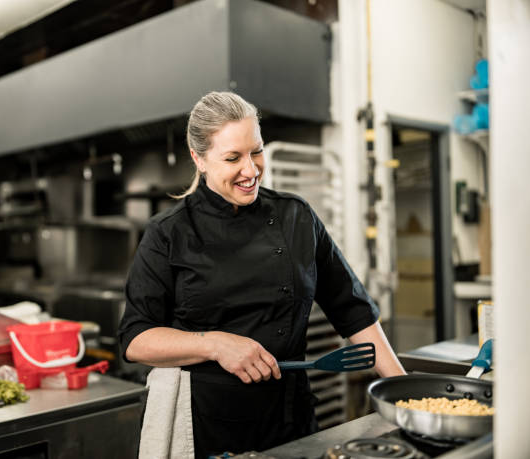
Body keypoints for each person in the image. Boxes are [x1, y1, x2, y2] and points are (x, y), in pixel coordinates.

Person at [118, 91, 406, 458]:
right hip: (211, 424)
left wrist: (403, 391)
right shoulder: (169, 233)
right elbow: (136, 338)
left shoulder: (296, 216)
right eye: (232, 158)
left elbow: (352, 310)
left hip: (292, 416)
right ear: (199, 159)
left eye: (256, 151)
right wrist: (215, 344)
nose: (251, 170)